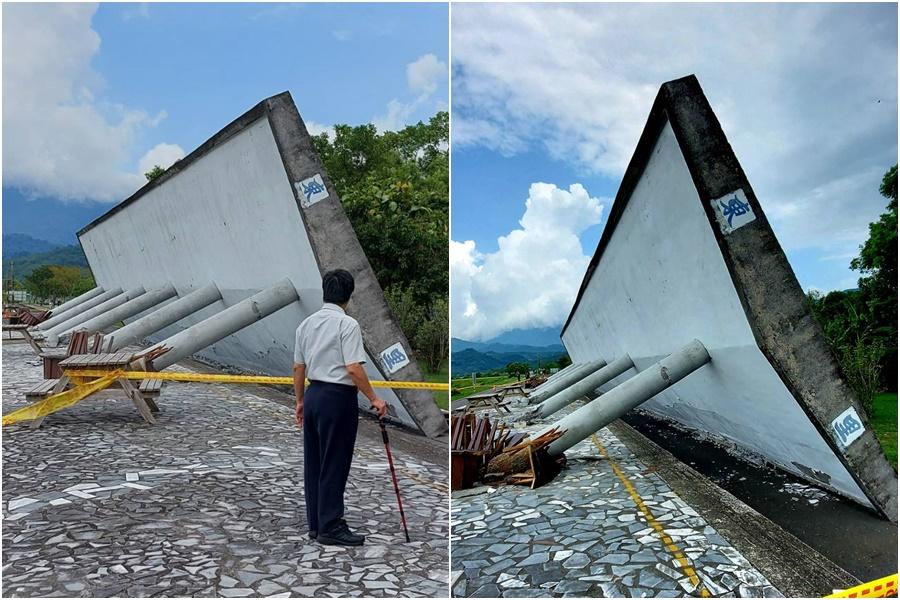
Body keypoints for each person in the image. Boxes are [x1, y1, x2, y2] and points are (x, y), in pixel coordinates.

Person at [293, 269, 388, 546]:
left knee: (314, 461)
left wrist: (300, 401)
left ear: (325, 292)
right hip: (337, 397)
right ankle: (331, 525)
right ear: (349, 295)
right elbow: (353, 368)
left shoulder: (306, 325)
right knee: (334, 462)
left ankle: (316, 523)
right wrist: (374, 398)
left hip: (313, 394)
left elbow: (299, 367)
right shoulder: (347, 325)